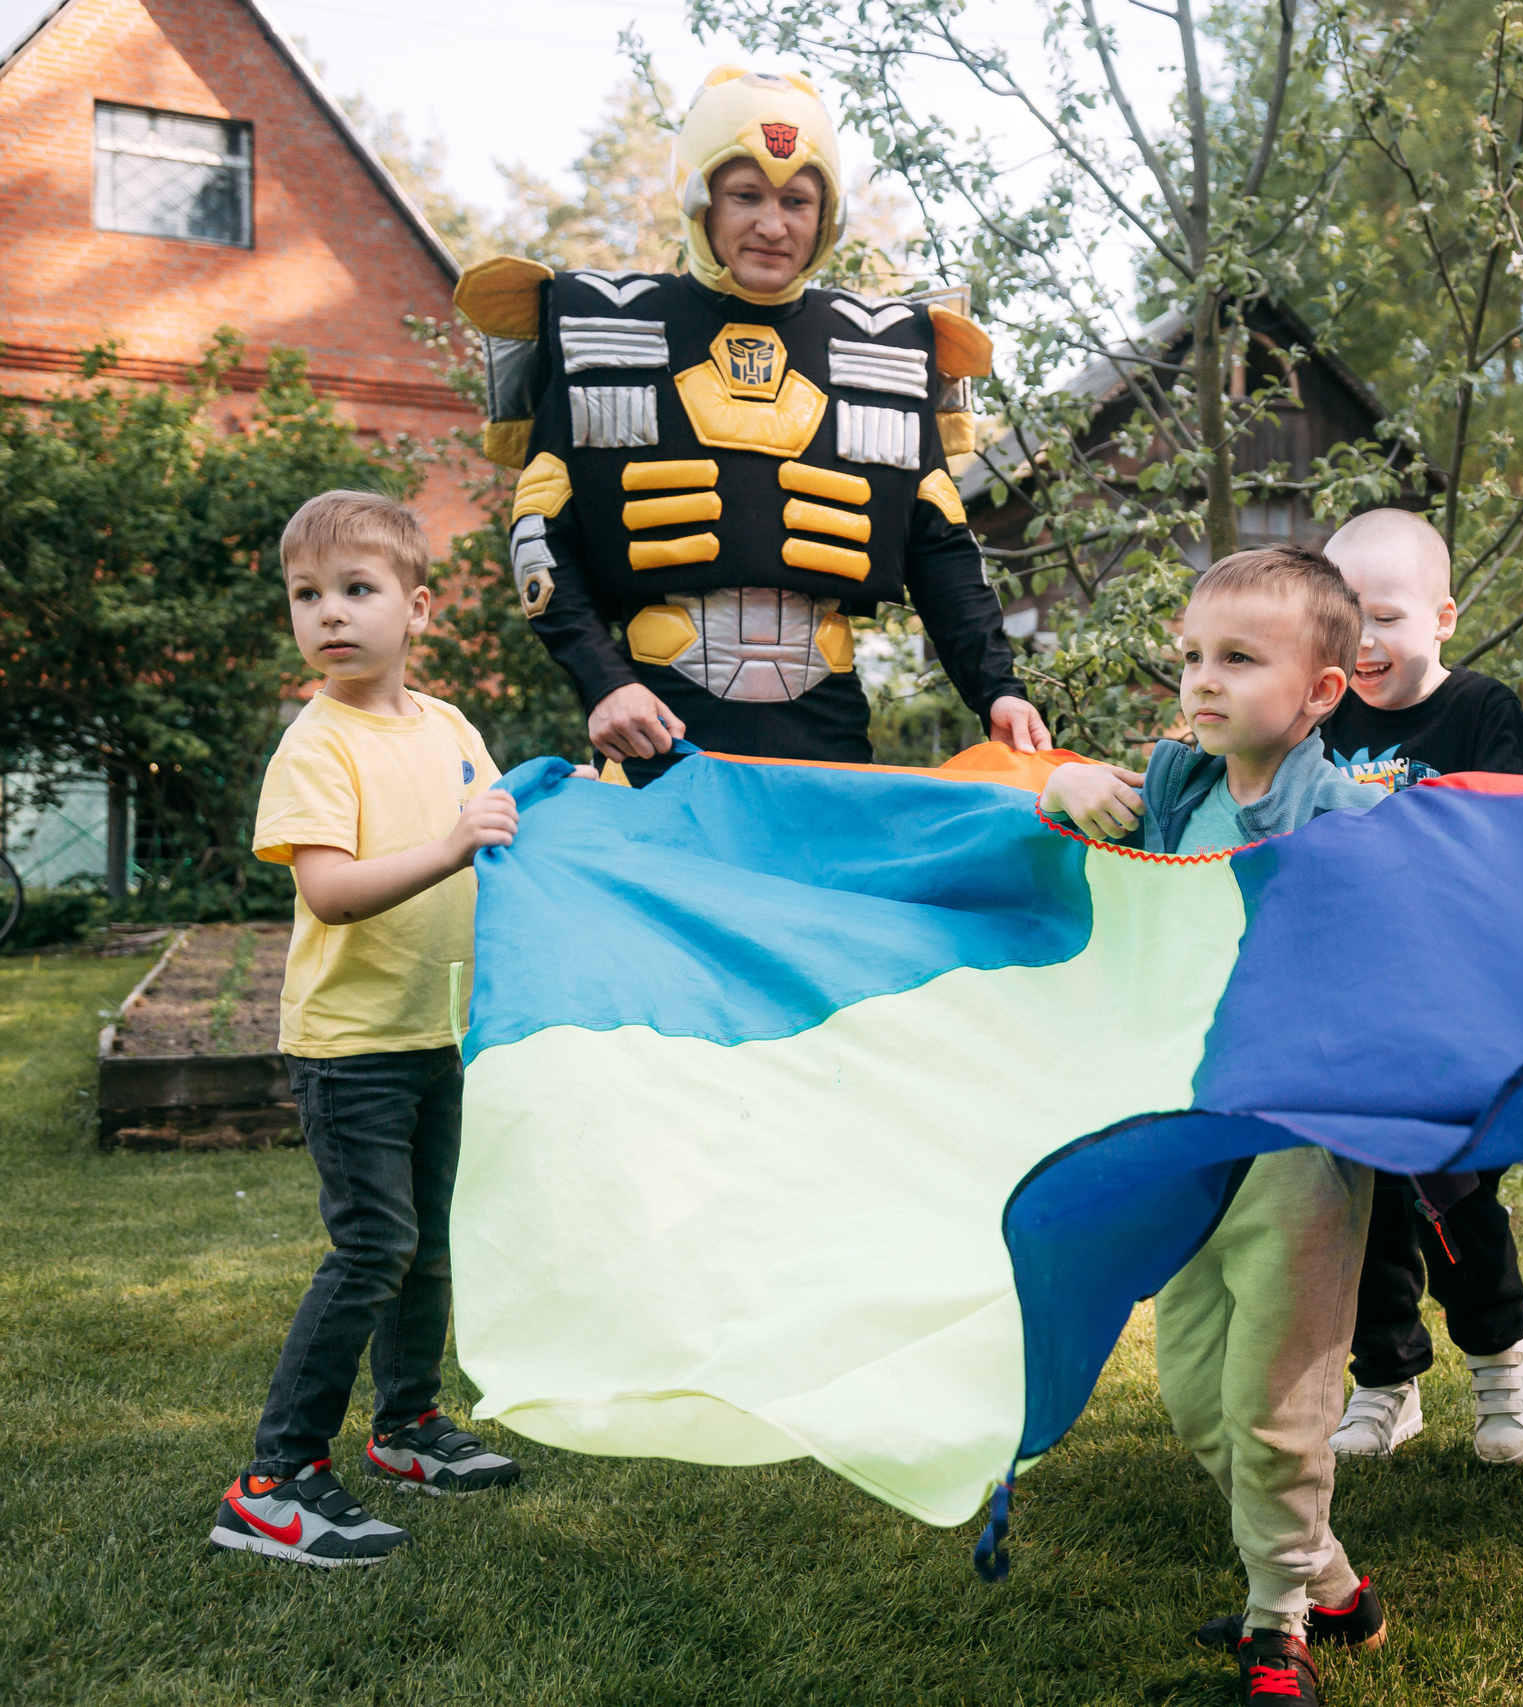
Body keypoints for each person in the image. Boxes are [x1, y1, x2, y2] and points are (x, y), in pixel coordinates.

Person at [450, 65, 1046, 784]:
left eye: (797, 199)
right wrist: (602, 679)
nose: (773, 224)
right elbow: (541, 530)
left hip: (828, 741)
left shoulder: (884, 352)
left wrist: (998, 690)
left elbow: (941, 548)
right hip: (655, 739)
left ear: (828, 213)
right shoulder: (602, 329)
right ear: (700, 198)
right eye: (746, 195)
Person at [1041, 547, 1387, 1706]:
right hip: (1183, 1145)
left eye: (1239, 660)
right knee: (1196, 1403)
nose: (1203, 680)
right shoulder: (1180, 787)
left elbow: (1420, 870)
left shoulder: (1336, 808)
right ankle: (1330, 1582)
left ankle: (1274, 1623)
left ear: (1320, 694)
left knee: (1280, 1412)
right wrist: (1065, 782)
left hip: (1294, 1146)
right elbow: (1065, 810)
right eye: (1192, 655)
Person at [210, 492, 532, 1568]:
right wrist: (449, 846)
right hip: (349, 1047)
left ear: (418, 609)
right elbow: (334, 893)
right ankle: (274, 1481)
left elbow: (503, 839)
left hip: (437, 1035)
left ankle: (406, 1427)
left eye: (356, 590)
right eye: (308, 596)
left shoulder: (448, 728)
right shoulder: (315, 745)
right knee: (373, 1247)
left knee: (426, 1241)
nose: (329, 616)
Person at [1312, 507, 1523, 1469]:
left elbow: (1517, 839)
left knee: (1451, 1192)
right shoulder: (1316, 715)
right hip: (1343, 1006)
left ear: (1443, 617)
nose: (1365, 642)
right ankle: (1384, 1378)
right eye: (1346, 618)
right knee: (1355, 1203)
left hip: (1454, 1008)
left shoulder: (1482, 710)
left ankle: (1501, 1350)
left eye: (1388, 617)